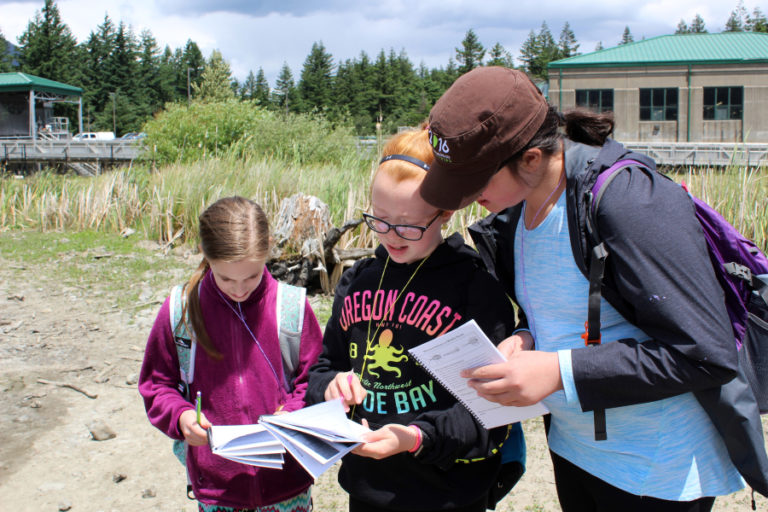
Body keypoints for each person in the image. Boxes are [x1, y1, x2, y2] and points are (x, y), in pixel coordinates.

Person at [418, 66, 768, 512]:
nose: (465, 198)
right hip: (575, 449)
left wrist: (557, 372)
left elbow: (705, 352)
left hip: (653, 470)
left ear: (530, 158)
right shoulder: (514, 215)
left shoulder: (627, 201)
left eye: (475, 182)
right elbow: (566, 308)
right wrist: (527, 338)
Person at [306, 128, 525, 512]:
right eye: (380, 219)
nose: (391, 235)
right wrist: (331, 388)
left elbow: (492, 414)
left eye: (408, 224)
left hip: (448, 494)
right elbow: (324, 368)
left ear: (445, 212)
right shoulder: (358, 281)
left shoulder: (474, 290)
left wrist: (416, 437)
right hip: (366, 488)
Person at [139, 196, 324, 512]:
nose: (239, 290)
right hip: (217, 491)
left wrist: (292, 413)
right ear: (205, 255)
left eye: (251, 277)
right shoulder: (180, 311)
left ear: (267, 253)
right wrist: (182, 417)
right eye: (226, 278)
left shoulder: (291, 308)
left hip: (287, 485)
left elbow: (315, 380)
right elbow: (158, 386)